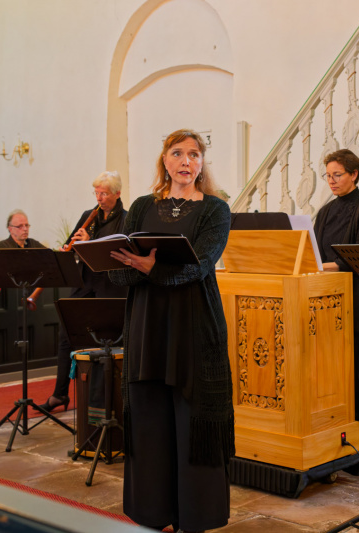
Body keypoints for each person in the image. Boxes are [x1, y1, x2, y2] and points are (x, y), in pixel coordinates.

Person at [109, 129, 234, 532]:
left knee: (193, 419)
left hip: (195, 325)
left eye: (194, 154)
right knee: (149, 420)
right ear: (165, 160)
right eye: (177, 153)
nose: (186, 161)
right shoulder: (143, 205)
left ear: (202, 163)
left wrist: (153, 268)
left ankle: (194, 517)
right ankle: (153, 514)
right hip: (147, 323)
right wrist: (120, 263)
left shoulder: (216, 209)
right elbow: (121, 265)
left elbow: (201, 265)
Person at [35, 171, 128, 413]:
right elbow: (73, 246)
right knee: (67, 334)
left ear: (118, 194)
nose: (99, 198)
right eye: (96, 193)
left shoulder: (126, 220)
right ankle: (59, 394)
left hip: (110, 289)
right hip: (85, 284)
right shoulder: (89, 216)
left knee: (105, 342)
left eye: (104, 193)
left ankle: (103, 403)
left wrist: (90, 241)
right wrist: (69, 249)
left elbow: (116, 256)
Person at [314, 148, 359, 461]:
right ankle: (337, 433)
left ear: (354, 174)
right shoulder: (326, 211)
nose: (331, 181)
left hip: (353, 301)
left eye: (337, 175)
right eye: (328, 176)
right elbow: (313, 249)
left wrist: (322, 266)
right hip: (324, 300)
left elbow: (358, 256)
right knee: (329, 376)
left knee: (355, 371)